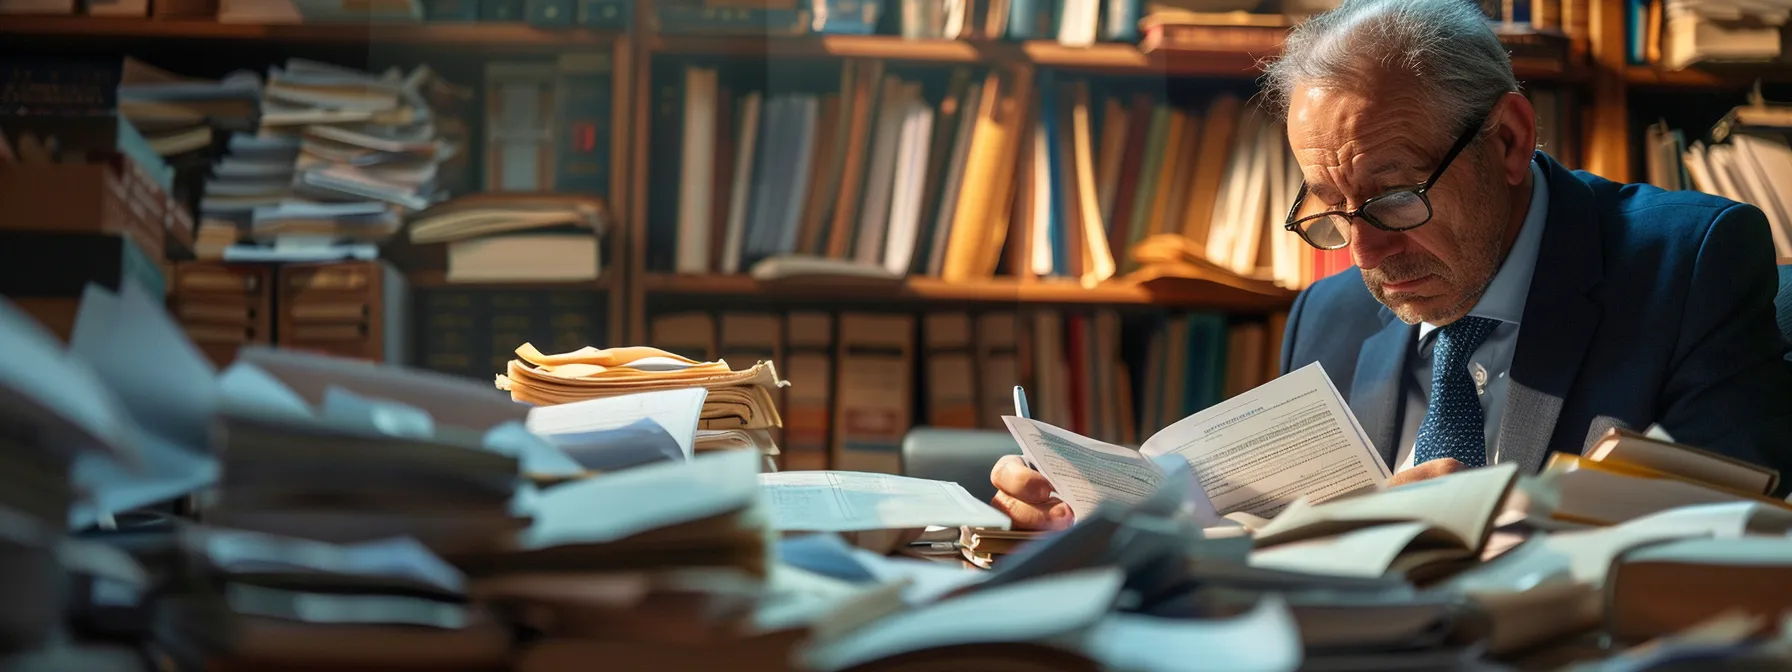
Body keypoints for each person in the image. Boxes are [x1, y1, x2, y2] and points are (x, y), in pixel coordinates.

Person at [990, 0, 1792, 531]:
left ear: (1509, 139)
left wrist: (1487, 520)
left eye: (1394, 196)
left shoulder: (1690, 264)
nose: (1365, 253)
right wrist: (1107, 524)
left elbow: (1727, 548)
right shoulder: (1328, 318)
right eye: (1333, 210)